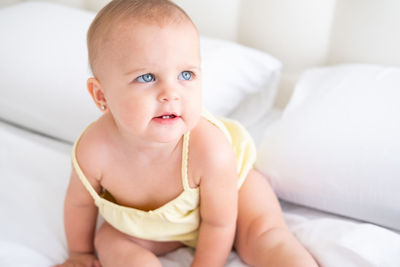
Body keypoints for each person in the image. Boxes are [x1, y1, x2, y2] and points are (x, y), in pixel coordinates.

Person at [55, 0, 318, 266]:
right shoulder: (93, 150)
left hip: (231, 197)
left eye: (186, 74)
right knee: (110, 240)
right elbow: (79, 205)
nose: (171, 93)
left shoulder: (209, 149)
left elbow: (218, 222)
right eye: (147, 77)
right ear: (101, 95)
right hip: (159, 227)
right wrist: (79, 254)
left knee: (263, 234)